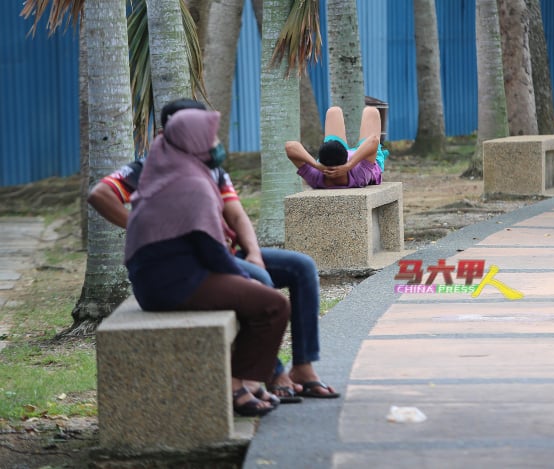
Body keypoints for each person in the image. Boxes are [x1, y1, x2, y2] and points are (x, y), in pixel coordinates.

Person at [88, 98, 340, 401]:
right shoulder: (149, 167)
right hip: (191, 262)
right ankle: (272, 373)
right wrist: (144, 229)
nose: (213, 139)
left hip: (217, 252)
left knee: (301, 267)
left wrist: (254, 253)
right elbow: (100, 194)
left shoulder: (210, 167)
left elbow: (235, 213)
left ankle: (304, 366)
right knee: (259, 285)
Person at [124, 108, 290, 417]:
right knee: (273, 305)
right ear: (193, 141)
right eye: (210, 137)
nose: (216, 143)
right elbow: (211, 247)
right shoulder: (191, 183)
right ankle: (239, 384)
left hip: (158, 280)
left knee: (256, 296)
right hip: (176, 284)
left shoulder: (167, 170)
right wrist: (244, 277)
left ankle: (242, 381)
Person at [285, 105, 389, 188]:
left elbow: (290, 147)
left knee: (333, 111)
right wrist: (350, 165)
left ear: (320, 161)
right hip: (362, 157)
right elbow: (373, 140)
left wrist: (316, 166)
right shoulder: (360, 175)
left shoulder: (315, 176)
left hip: (341, 157)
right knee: (371, 111)